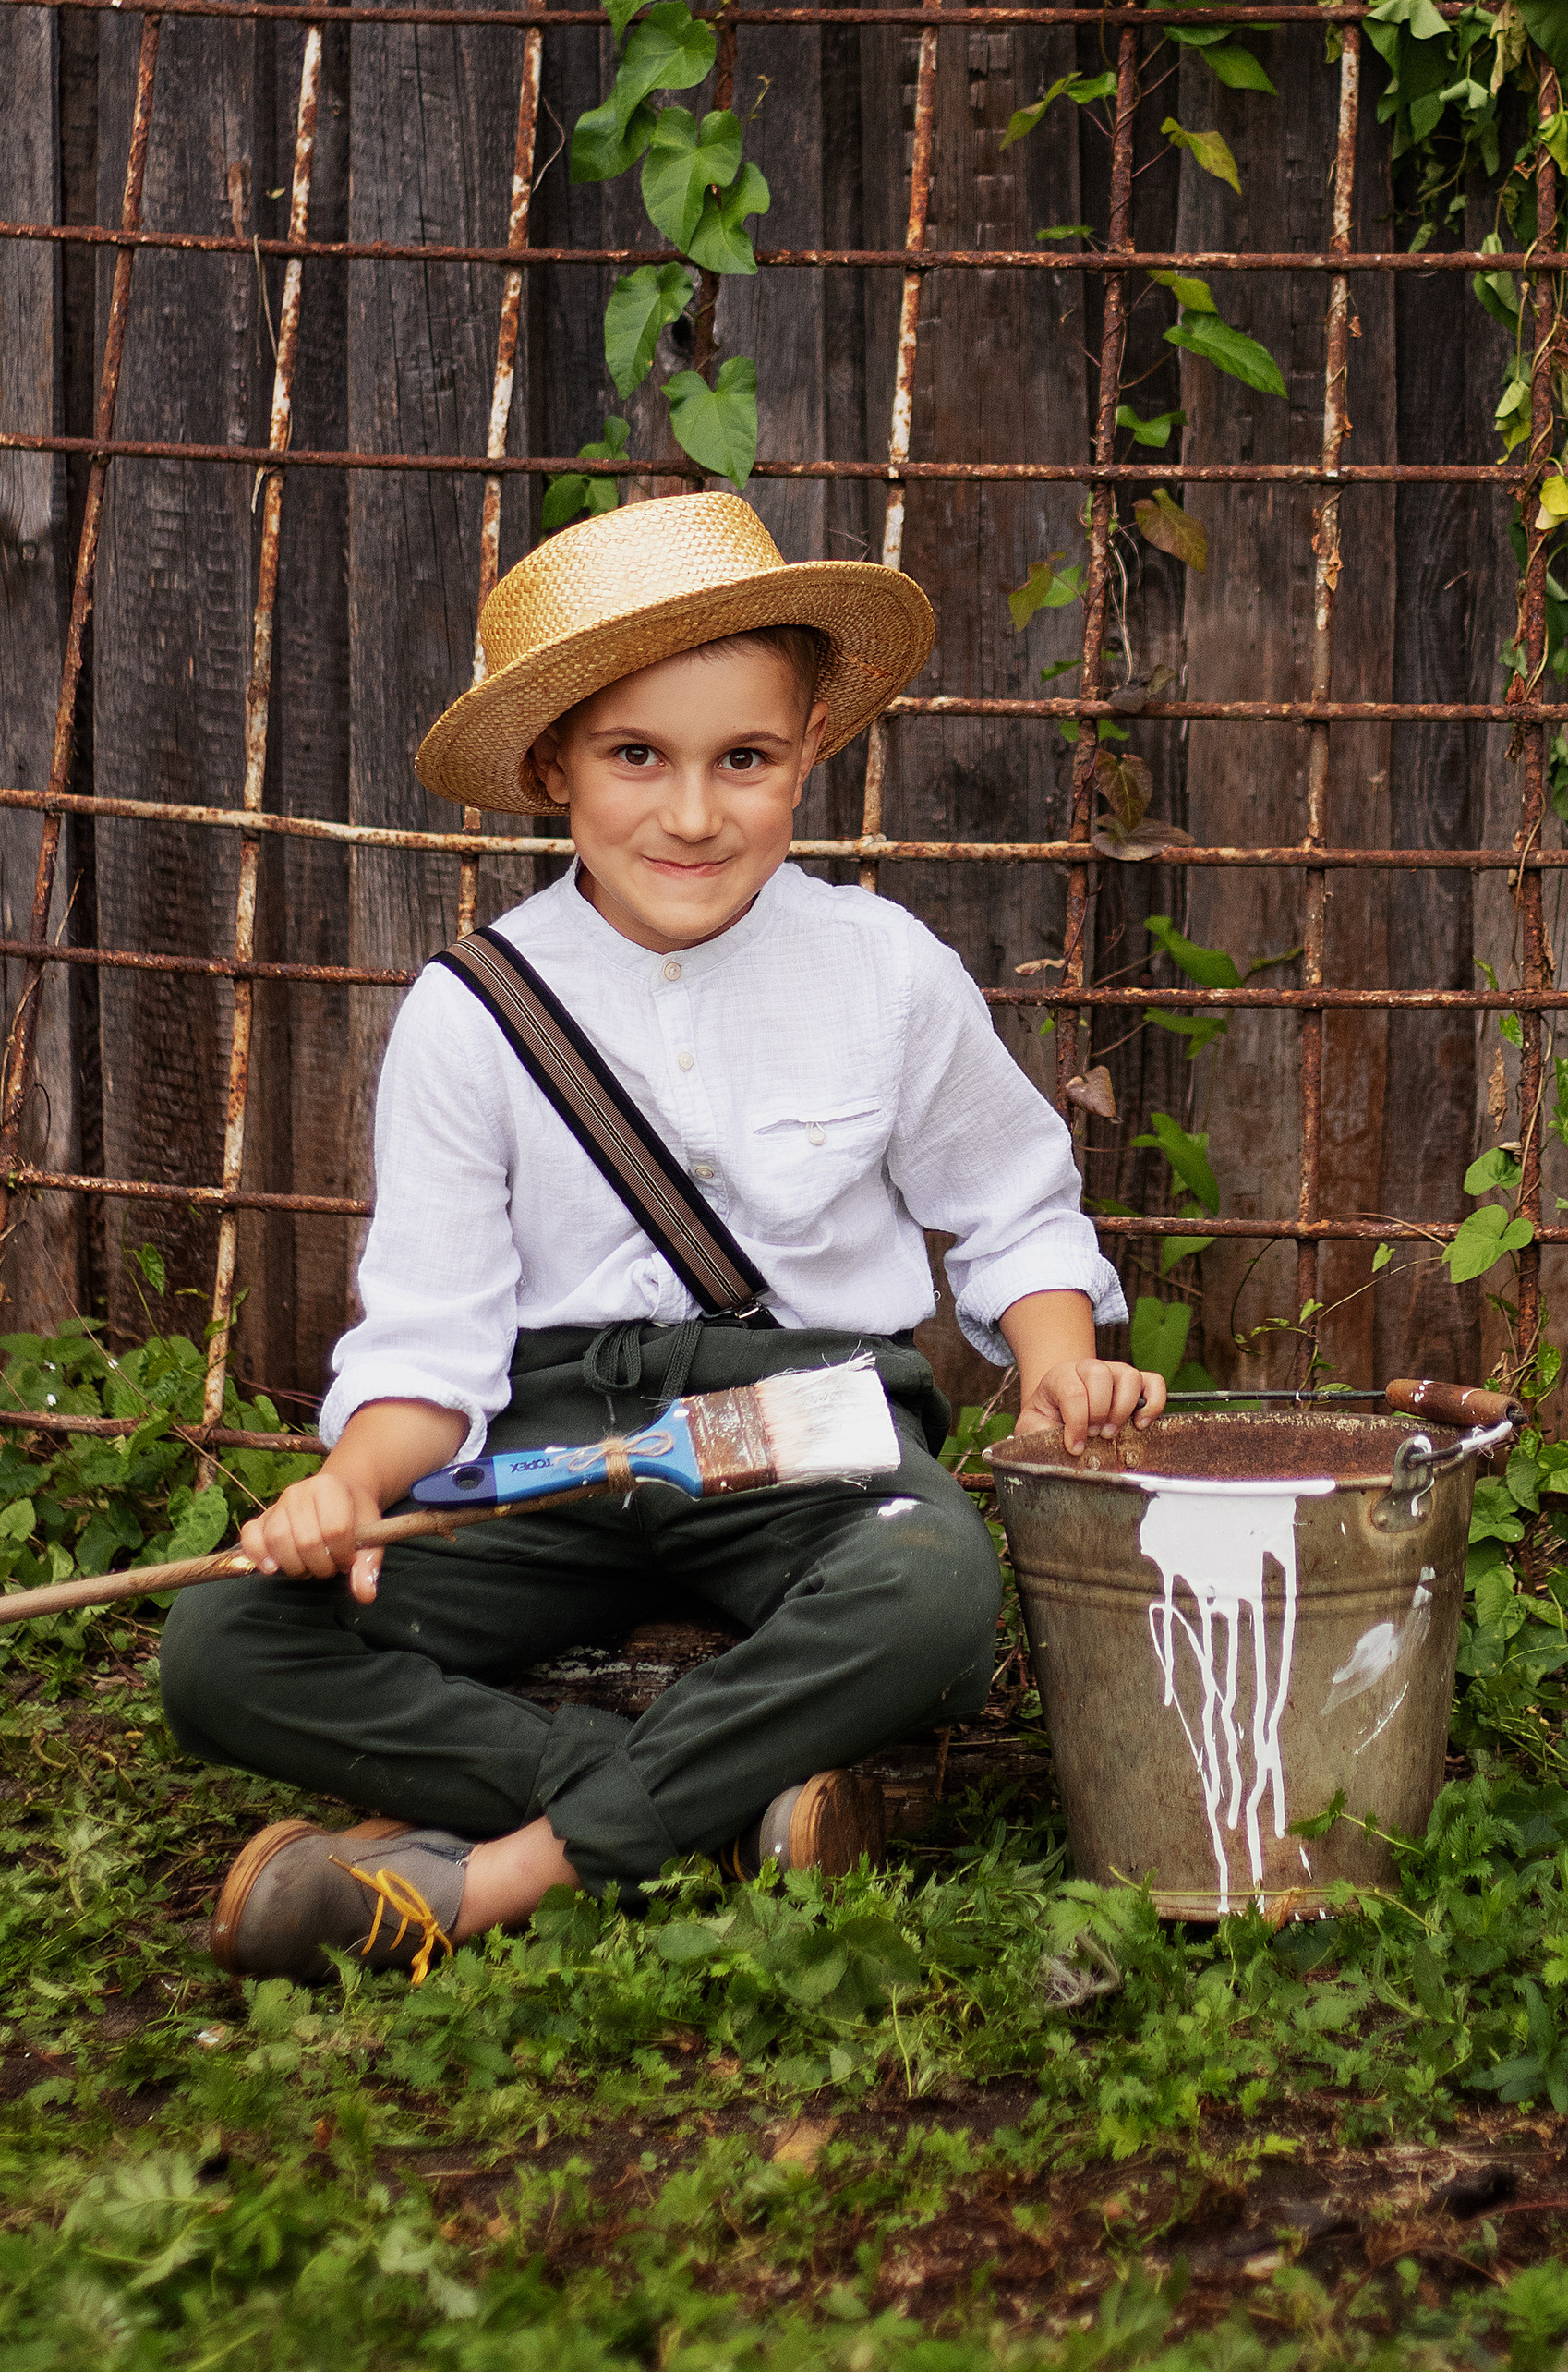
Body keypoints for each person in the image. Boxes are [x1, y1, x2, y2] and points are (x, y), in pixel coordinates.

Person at [162, 490, 1164, 1980]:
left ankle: (498, 1876)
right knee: (225, 1646)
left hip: (803, 1434)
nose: (692, 816)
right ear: (552, 764)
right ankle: (710, 1807)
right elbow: (431, 1339)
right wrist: (348, 1489)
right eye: (637, 756)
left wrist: (1061, 1360)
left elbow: (1012, 1202)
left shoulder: (882, 969)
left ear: (806, 752)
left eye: (742, 760)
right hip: (545, 1454)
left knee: (934, 1590)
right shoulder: (471, 1015)